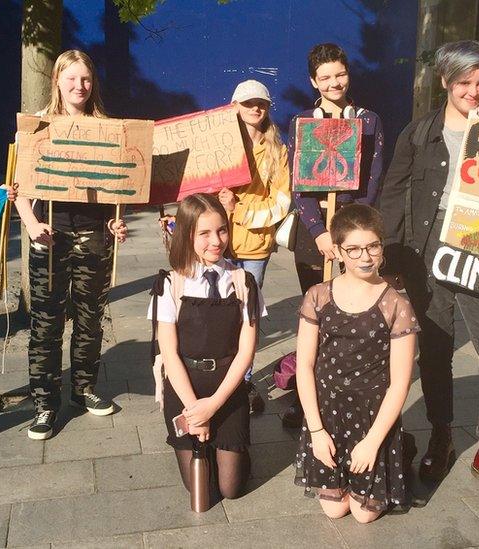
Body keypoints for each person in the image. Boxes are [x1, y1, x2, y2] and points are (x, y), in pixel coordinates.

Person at [378, 40, 479, 504]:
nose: (475, 91)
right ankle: (441, 436)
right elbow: (393, 192)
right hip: (428, 250)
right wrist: (392, 259)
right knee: (437, 350)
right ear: (446, 81)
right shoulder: (418, 133)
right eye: (465, 82)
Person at [8, 50, 129, 441]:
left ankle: (84, 390)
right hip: (50, 233)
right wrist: (30, 224)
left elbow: (120, 186)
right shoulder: (37, 127)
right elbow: (19, 186)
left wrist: (115, 220)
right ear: (57, 81)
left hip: (95, 234)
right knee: (46, 323)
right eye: (72, 79)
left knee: (91, 318)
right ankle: (44, 405)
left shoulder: (109, 129)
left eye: (87, 80)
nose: (80, 86)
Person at [293, 204, 418, 523]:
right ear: (337, 250)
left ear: (382, 246)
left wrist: (373, 442)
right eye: (354, 249)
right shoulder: (318, 296)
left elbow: (400, 381)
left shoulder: (396, 304)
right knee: (335, 510)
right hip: (328, 414)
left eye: (373, 246)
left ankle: (398, 449)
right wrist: (316, 430)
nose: (365, 257)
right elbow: (304, 365)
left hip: (373, 414)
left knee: (363, 515)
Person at [283, 42, 385, 428]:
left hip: (352, 232)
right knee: (315, 315)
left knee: (348, 313)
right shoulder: (301, 123)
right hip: (315, 236)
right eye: (324, 77)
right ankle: (306, 397)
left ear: (348, 74)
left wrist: (348, 234)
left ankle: (344, 391)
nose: (334, 82)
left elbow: (373, 179)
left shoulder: (369, 120)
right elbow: (298, 184)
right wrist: (317, 232)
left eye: (339, 74)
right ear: (313, 81)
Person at [148, 193, 264, 501]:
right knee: (200, 490)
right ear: (187, 234)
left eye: (222, 230)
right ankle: (204, 442)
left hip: (227, 385)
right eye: (205, 233)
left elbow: (246, 351)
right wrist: (194, 412)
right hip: (184, 388)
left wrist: (213, 405)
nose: (216, 240)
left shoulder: (244, 282)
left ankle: (235, 451)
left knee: (230, 489)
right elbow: (169, 353)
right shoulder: (170, 284)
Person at [217, 79, 291, 414]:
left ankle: (244, 381)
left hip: (254, 246)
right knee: (217, 311)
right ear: (234, 106)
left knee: (247, 315)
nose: (255, 108)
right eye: (247, 103)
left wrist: (242, 212)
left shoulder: (278, 150)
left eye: (260, 103)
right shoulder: (219, 145)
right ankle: (221, 379)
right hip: (215, 242)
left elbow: (283, 202)